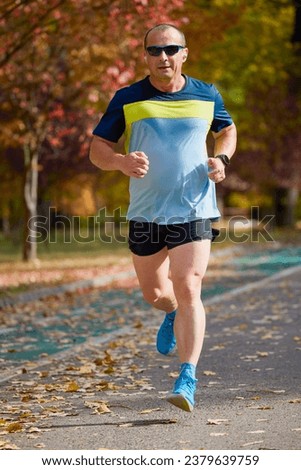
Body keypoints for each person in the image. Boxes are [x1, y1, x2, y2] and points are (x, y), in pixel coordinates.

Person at [89, 23, 237, 412]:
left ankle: (187, 376)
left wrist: (221, 159)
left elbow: (227, 129)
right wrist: (121, 161)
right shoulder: (128, 98)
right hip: (146, 213)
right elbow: (97, 149)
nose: (163, 57)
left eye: (171, 49)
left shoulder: (207, 94)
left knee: (189, 285)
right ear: (146, 56)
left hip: (194, 209)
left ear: (184, 53)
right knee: (155, 292)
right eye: (155, 51)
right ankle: (169, 313)